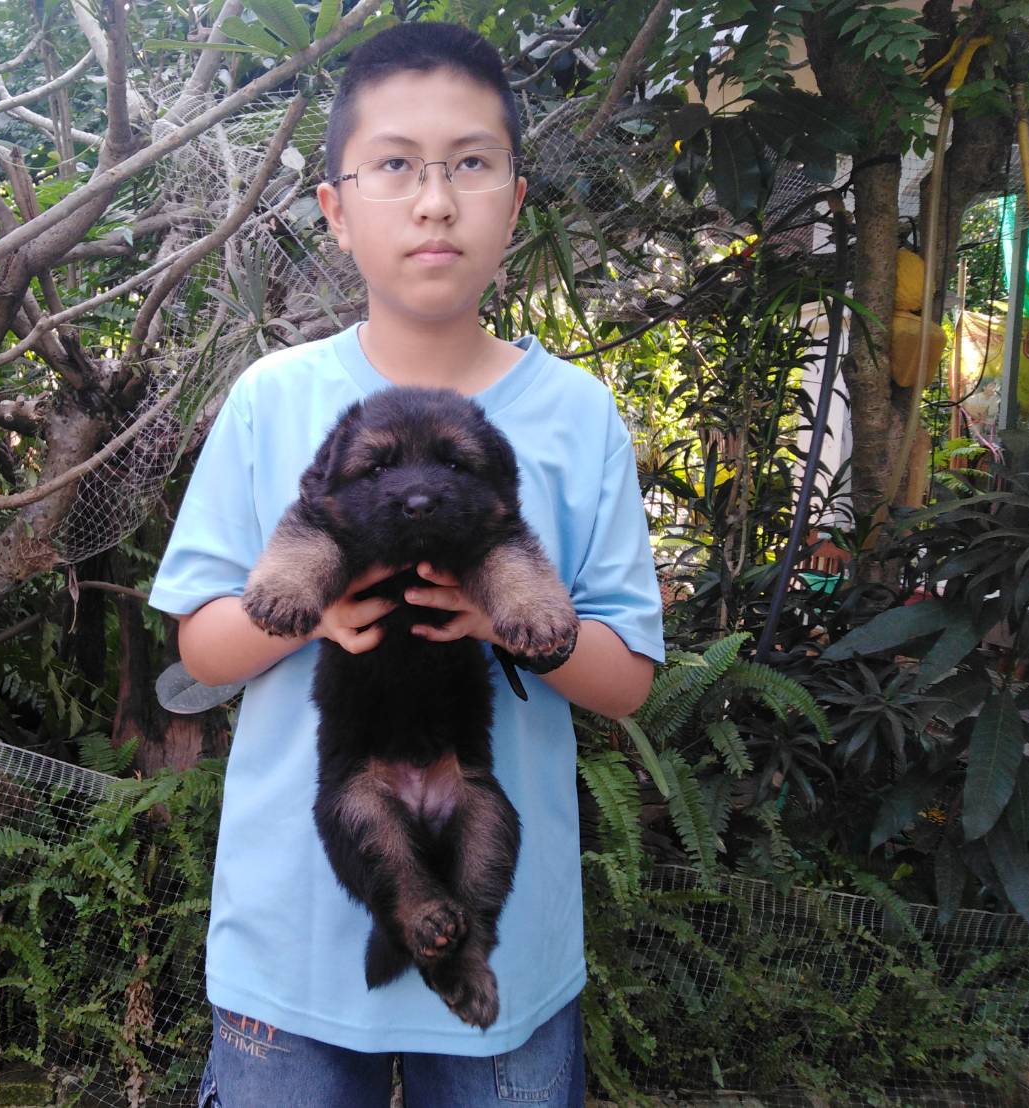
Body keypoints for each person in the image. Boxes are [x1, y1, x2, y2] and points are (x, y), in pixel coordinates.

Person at [148, 21, 665, 1108]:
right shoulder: (275, 398)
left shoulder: (575, 414)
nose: (434, 201)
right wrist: (309, 605)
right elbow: (202, 641)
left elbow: (625, 678)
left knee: (482, 819)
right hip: (286, 953)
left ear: (514, 200)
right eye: (394, 165)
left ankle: (457, 943)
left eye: (470, 163)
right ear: (335, 210)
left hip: (513, 962)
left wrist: (509, 619)